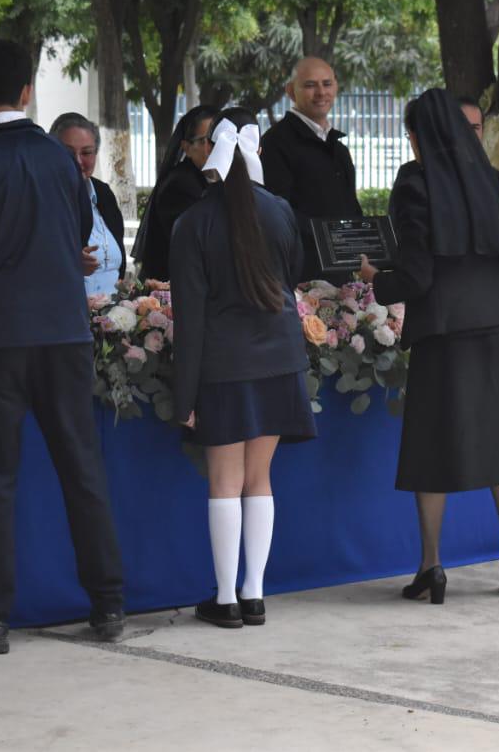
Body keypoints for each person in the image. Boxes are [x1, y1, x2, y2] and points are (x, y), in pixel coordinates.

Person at [0, 40, 125, 653]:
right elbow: (74, 236)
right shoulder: (61, 163)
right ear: (27, 93)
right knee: (83, 470)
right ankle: (109, 604)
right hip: (65, 335)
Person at [359, 88, 499, 603]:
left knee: (432, 447)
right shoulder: (486, 177)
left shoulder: (415, 183)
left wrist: (376, 277)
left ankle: (432, 566)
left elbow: (415, 276)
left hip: (446, 330)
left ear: (418, 136)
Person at [171, 107, 315, 629]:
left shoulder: (192, 224)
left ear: (209, 160)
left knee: (224, 484)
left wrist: (183, 397)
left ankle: (226, 597)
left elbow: (189, 322)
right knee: (260, 480)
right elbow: (292, 279)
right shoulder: (279, 211)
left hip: (224, 368)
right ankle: (253, 594)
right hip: (280, 361)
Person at [260, 56, 362, 281]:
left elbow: (351, 209)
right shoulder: (275, 143)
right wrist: (330, 234)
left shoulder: (339, 149)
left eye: (327, 84)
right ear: (290, 91)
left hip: (342, 277)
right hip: (298, 278)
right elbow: (276, 211)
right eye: (310, 85)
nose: (321, 92)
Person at [132, 104, 219, 281]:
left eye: (218, 139)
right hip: (169, 292)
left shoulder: (216, 179)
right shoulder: (180, 184)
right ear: (187, 148)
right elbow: (198, 244)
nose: (213, 148)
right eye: (205, 141)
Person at [48, 113, 126, 296]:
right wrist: (70, 264)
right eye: (68, 153)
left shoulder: (103, 194)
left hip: (113, 316)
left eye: (86, 152)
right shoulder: (44, 197)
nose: (77, 161)